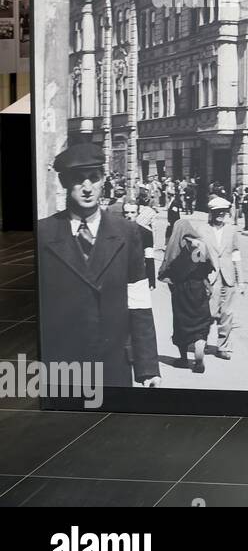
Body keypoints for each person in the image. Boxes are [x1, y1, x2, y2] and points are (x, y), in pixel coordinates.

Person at [36, 143, 160, 388]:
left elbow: (139, 304)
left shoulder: (127, 232)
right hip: (59, 368)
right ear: (64, 183)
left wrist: (147, 368)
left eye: (93, 178)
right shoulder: (42, 234)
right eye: (78, 179)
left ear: (103, 180)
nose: (87, 187)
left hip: (112, 366)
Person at [158, 217, 215, 373]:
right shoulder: (200, 245)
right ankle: (199, 359)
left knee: (181, 323)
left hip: (180, 290)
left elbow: (167, 268)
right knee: (201, 322)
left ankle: (183, 359)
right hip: (198, 289)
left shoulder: (174, 246)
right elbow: (207, 267)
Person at [197, 196, 242, 360]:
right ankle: (202, 342)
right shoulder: (202, 230)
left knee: (227, 313)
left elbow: (236, 254)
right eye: (217, 212)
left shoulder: (231, 231)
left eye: (224, 212)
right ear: (211, 212)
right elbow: (198, 255)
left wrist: (241, 280)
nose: (221, 215)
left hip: (228, 276)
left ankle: (223, 347)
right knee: (209, 312)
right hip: (210, 276)